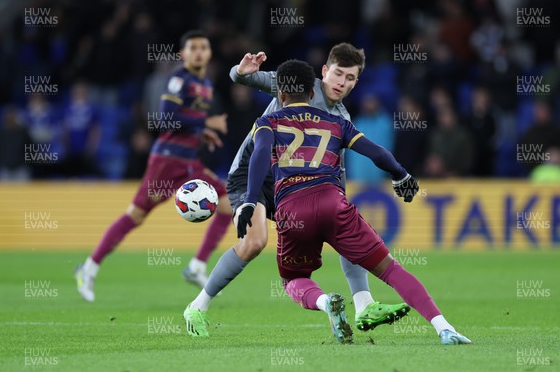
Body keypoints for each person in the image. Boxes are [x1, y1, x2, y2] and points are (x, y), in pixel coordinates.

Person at [237, 59, 472, 345]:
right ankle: (445, 328)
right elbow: (375, 151)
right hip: (333, 203)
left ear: (281, 96)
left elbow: (259, 157)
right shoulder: (337, 122)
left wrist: (250, 201)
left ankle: (326, 303)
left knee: (294, 279)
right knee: (390, 269)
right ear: (313, 93)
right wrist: (401, 175)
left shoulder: (266, 123)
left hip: (292, 209)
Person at [184, 43, 410, 337]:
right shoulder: (298, 83)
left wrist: (339, 204)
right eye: (338, 74)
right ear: (325, 71)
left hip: (293, 187)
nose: (342, 82)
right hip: (252, 175)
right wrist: (242, 70)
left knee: (342, 229)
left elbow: (336, 169)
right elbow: (244, 78)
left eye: (350, 78)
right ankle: (198, 306)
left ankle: (364, 304)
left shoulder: (342, 118)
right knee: (255, 242)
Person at [75, 30, 232, 302]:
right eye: (192, 47)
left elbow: (186, 120)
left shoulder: (204, 83)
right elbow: (167, 117)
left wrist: (200, 134)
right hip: (168, 160)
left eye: (203, 47)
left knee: (228, 201)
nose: (198, 52)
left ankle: (197, 266)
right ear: (183, 54)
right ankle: (88, 268)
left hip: (189, 160)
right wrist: (207, 123)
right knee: (136, 215)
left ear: (209, 53)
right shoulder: (178, 79)